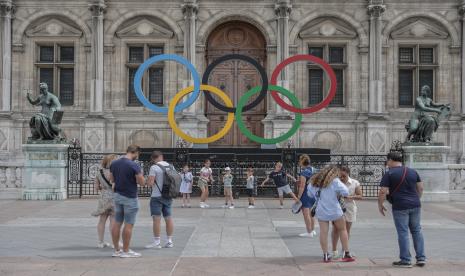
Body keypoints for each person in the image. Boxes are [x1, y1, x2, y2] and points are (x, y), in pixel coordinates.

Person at [378, 152, 426, 268]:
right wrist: (416, 199)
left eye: (387, 161)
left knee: (403, 232)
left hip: (400, 206)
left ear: (390, 160)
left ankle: (405, 260)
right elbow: (420, 187)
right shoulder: (412, 171)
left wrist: (380, 204)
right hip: (415, 204)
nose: (387, 163)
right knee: (417, 230)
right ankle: (421, 258)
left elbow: (383, 191)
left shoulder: (389, 174)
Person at [308, 166, 355, 263]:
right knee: (342, 230)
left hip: (321, 211)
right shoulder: (335, 181)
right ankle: (346, 253)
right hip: (335, 210)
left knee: (323, 232)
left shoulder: (315, 182)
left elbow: (310, 194)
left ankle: (326, 255)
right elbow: (346, 192)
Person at [109, 145, 146, 258]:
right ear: (135, 152)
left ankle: (117, 250)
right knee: (129, 224)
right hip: (130, 197)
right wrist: (143, 178)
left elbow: (112, 179)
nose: (137, 157)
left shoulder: (114, 163)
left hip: (117, 196)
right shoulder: (134, 165)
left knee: (117, 223)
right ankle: (126, 251)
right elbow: (141, 182)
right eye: (137, 154)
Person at [145, 151, 176, 249]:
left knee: (156, 219)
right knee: (168, 218)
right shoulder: (171, 166)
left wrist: (146, 180)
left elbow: (150, 183)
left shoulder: (154, 167)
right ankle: (169, 241)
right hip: (168, 196)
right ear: (161, 157)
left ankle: (157, 242)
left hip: (157, 196)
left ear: (153, 159)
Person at [331, 166, 362, 258]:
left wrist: (350, 197)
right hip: (337, 207)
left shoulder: (354, 182)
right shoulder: (335, 182)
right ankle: (334, 251)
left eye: (343, 176)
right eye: (340, 175)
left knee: (346, 230)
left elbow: (360, 196)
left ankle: (344, 250)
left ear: (348, 174)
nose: (342, 178)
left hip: (349, 208)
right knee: (335, 229)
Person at [92, 154, 118, 248]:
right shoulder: (115, 172)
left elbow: (96, 188)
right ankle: (114, 242)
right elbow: (116, 186)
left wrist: (102, 187)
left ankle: (100, 242)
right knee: (113, 221)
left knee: (102, 220)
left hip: (104, 198)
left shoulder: (99, 172)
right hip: (114, 198)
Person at [297, 154, 317, 238]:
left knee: (306, 215)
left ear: (302, 162)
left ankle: (309, 232)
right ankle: (312, 230)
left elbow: (302, 186)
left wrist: (298, 198)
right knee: (311, 214)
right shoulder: (314, 170)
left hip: (305, 194)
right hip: (313, 194)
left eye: (299, 161)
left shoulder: (303, 172)